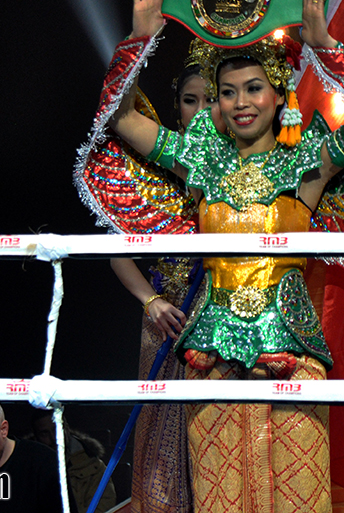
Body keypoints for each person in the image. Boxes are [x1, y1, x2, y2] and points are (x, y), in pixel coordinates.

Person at [78, 0, 344, 512]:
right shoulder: (199, 162)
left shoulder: (306, 160)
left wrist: (326, 48)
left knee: (298, 499)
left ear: (279, 93)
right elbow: (122, 120)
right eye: (228, 92)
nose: (240, 102)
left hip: (293, 349)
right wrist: (139, 38)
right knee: (220, 501)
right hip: (209, 356)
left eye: (253, 88)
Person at [108, 57, 223, 513]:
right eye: (189, 101)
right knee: (159, 435)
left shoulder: (246, 163)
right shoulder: (159, 162)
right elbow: (118, 253)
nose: (200, 110)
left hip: (223, 317)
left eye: (211, 99)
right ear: (176, 108)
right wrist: (151, 300)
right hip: (166, 319)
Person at [31, 412, 116, 513]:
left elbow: (103, 507)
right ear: (36, 437)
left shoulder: (93, 467)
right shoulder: (26, 469)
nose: (53, 438)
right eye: (44, 434)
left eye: (56, 429)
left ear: (66, 428)